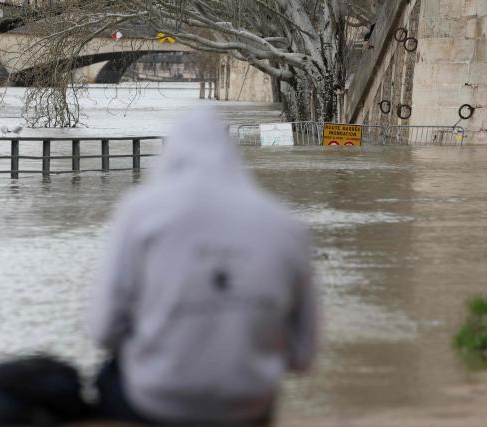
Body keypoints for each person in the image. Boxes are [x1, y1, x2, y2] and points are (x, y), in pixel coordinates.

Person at [89, 107, 318, 425]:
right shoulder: (286, 225)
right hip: (248, 405)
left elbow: (103, 329)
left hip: (158, 400)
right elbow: (303, 355)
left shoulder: (139, 212)